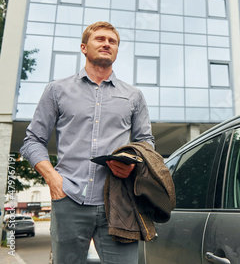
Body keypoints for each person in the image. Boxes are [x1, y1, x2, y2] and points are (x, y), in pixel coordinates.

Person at [20, 21, 154, 264]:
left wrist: (135, 165)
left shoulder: (134, 96)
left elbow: (146, 143)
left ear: (116, 51)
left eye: (112, 41)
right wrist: (52, 179)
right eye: (100, 39)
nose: (106, 44)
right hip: (69, 197)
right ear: (83, 47)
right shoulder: (57, 90)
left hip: (118, 202)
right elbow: (32, 141)